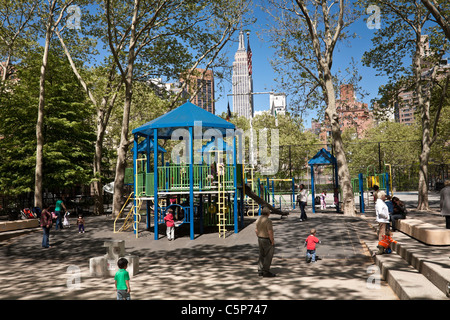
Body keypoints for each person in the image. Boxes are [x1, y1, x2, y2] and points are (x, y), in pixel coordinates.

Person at [255, 206, 275, 277]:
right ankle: (266, 271)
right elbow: (270, 232)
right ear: (268, 213)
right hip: (266, 239)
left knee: (261, 254)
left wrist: (259, 236)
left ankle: (260, 270)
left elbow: (256, 230)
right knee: (268, 255)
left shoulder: (258, 219)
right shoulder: (268, 221)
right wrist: (272, 240)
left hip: (260, 238)